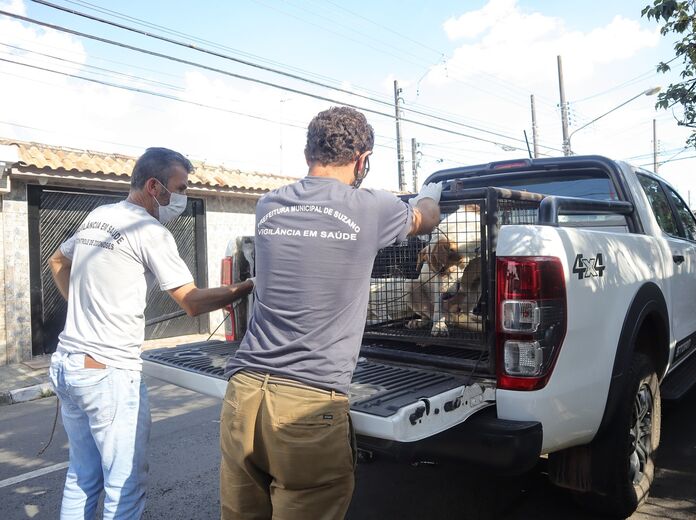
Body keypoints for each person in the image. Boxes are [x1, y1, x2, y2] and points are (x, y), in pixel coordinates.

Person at [219, 106, 442, 520]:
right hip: (307, 405)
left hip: (243, 394)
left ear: (308, 153)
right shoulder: (373, 207)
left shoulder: (268, 205)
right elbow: (426, 219)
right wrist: (431, 192)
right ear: (363, 160)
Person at [47, 147, 255, 520]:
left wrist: (82, 302)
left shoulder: (99, 215)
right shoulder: (147, 230)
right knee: (124, 485)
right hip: (107, 372)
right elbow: (190, 302)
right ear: (154, 186)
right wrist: (247, 286)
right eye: (180, 188)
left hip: (67, 364)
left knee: (82, 475)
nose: (183, 197)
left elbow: (58, 260)